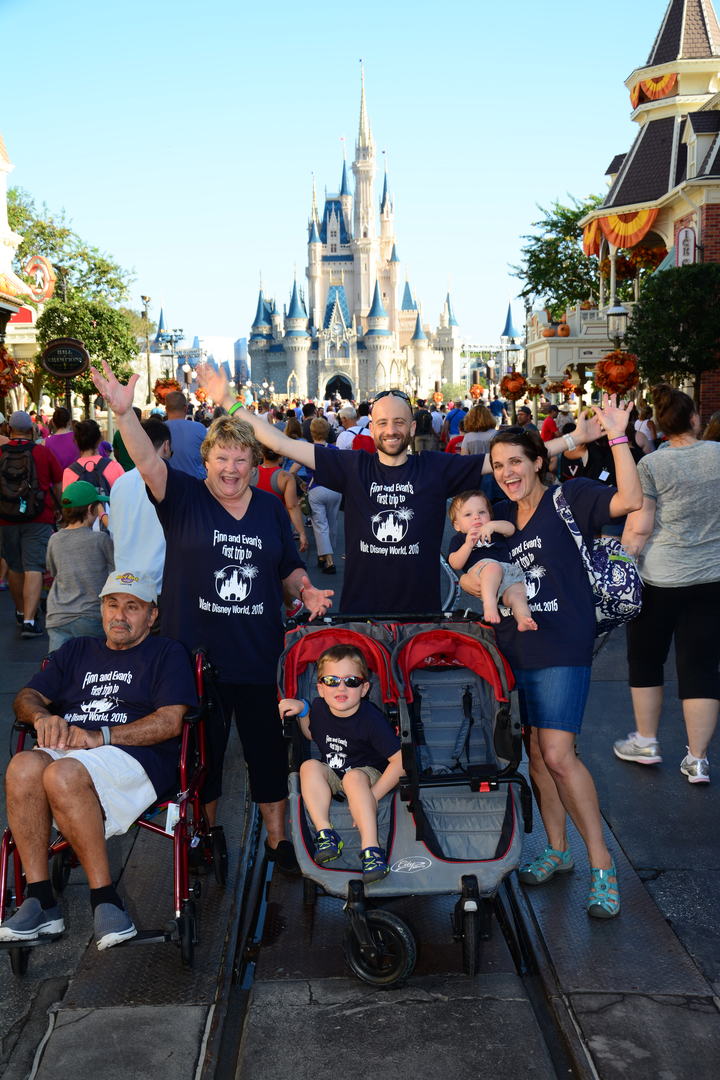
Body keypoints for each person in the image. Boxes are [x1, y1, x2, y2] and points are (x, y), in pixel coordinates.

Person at [90, 361, 333, 873]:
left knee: (268, 753)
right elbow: (145, 462)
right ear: (205, 461)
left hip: (257, 652)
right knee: (203, 758)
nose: (231, 469)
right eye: (222, 458)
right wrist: (124, 414)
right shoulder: (182, 498)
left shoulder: (268, 508)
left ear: (253, 462)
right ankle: (206, 834)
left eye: (241, 459)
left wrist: (306, 589)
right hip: (196, 657)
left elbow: (288, 566)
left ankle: (277, 841)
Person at [203, 371, 604, 616]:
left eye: (399, 422)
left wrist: (572, 439)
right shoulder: (352, 466)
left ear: (412, 428)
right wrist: (228, 401)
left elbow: (512, 459)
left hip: (421, 614)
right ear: (371, 427)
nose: (391, 429)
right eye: (382, 422)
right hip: (360, 614)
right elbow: (278, 440)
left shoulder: (434, 468)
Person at [459, 401, 642, 919]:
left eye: (516, 461)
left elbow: (631, 498)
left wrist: (619, 438)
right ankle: (558, 852)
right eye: (498, 466)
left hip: (563, 644)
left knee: (560, 755)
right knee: (536, 756)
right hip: (514, 650)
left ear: (539, 461)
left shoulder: (571, 497)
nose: (507, 473)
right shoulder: (495, 520)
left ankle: (602, 865)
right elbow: (467, 573)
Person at [0, 570, 197, 950]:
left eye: (132, 607)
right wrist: (42, 717)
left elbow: (171, 721)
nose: (119, 616)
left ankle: (105, 900)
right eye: (112, 605)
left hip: (133, 756)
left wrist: (99, 735)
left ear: (151, 616)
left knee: (62, 772)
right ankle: (40, 899)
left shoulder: (166, 653)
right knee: (23, 765)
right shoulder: (76, 650)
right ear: (101, 609)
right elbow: (25, 698)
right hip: (73, 751)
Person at [614, 383, 720, 784]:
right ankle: (697, 760)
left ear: (658, 425)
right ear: (695, 418)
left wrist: (620, 558)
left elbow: (639, 528)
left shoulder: (652, 465)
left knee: (645, 660)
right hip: (712, 578)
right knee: (701, 668)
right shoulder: (718, 455)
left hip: (660, 579)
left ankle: (646, 740)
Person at [278, 645, 402, 882]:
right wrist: (303, 709)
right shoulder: (320, 708)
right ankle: (326, 833)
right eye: (332, 681)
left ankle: (371, 850)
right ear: (321, 689)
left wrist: (373, 797)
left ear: (364, 688)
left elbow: (400, 761)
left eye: (351, 681)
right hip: (337, 773)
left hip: (368, 774)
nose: (341, 687)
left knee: (354, 777)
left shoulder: (370, 718)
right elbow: (312, 735)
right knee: (309, 766)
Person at [0, 410, 62, 637]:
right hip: (39, 517)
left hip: (5, 518)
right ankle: (29, 620)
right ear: (31, 430)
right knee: (34, 566)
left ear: (9, 429)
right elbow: (57, 484)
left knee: (15, 567)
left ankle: (20, 611)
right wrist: (58, 509)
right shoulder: (42, 453)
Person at [447, 491, 536, 630]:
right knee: (492, 567)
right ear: (457, 526)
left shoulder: (494, 530)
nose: (476, 517)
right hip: (483, 573)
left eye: (482, 512)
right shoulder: (460, 539)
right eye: (468, 514)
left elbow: (511, 529)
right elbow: (455, 563)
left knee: (518, 594)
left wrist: (492, 526)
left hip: (508, 574)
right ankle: (490, 606)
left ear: (490, 515)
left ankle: (523, 619)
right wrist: (468, 545)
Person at [45, 481, 114, 653]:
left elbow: (53, 570)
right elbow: (114, 571)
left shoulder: (54, 539)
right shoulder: (100, 540)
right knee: (92, 668)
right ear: (91, 509)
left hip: (58, 616)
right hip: (91, 616)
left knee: (59, 669)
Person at [109, 419, 170, 596]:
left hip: (125, 583)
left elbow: (114, 531)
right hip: (158, 585)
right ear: (166, 446)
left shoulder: (120, 483)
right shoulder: (172, 482)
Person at [255, 444, 309, 552]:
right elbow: (292, 506)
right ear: (281, 456)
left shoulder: (251, 473)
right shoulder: (285, 477)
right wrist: (301, 533)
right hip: (278, 527)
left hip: (254, 525)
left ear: (262, 454)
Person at [306, 417, 342, 574]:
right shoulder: (334, 450)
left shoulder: (308, 449)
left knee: (320, 525)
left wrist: (301, 482)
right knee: (332, 523)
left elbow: (293, 469)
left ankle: (328, 560)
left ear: (312, 432)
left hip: (316, 488)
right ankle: (324, 555)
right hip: (334, 489)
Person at [64, 419, 124, 493]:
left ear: (76, 442)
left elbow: (68, 502)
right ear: (100, 439)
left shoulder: (69, 472)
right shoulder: (115, 467)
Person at [164, 390, 207, 479]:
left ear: (166, 409)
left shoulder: (159, 429)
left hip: (168, 483)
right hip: (196, 483)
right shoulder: (199, 428)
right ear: (186, 408)